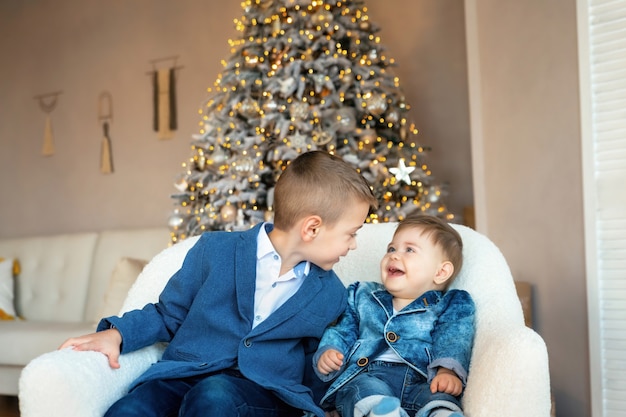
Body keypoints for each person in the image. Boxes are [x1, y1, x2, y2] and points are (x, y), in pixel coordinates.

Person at [59, 150, 378, 417]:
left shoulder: (331, 293)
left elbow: (315, 359)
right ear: (312, 228)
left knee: (214, 395)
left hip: (262, 393)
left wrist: (328, 398)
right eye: (351, 234)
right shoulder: (214, 251)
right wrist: (117, 333)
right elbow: (168, 314)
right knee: (133, 409)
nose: (352, 245)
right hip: (184, 374)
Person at [313, 213, 475, 417]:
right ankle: (382, 412)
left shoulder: (449, 303)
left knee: (438, 396)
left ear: (440, 272)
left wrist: (447, 371)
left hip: (422, 380)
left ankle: (441, 413)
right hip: (370, 374)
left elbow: (454, 337)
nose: (394, 255)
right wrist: (331, 349)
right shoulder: (362, 295)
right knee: (360, 390)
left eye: (410, 250)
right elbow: (344, 328)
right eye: (391, 248)